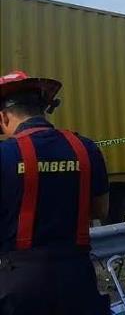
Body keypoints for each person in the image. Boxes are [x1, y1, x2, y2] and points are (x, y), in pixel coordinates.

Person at [0, 70, 110, 314]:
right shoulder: (85, 148)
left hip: (20, 284)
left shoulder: (4, 155)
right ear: (42, 109)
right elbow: (101, 210)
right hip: (78, 279)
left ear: (4, 117)